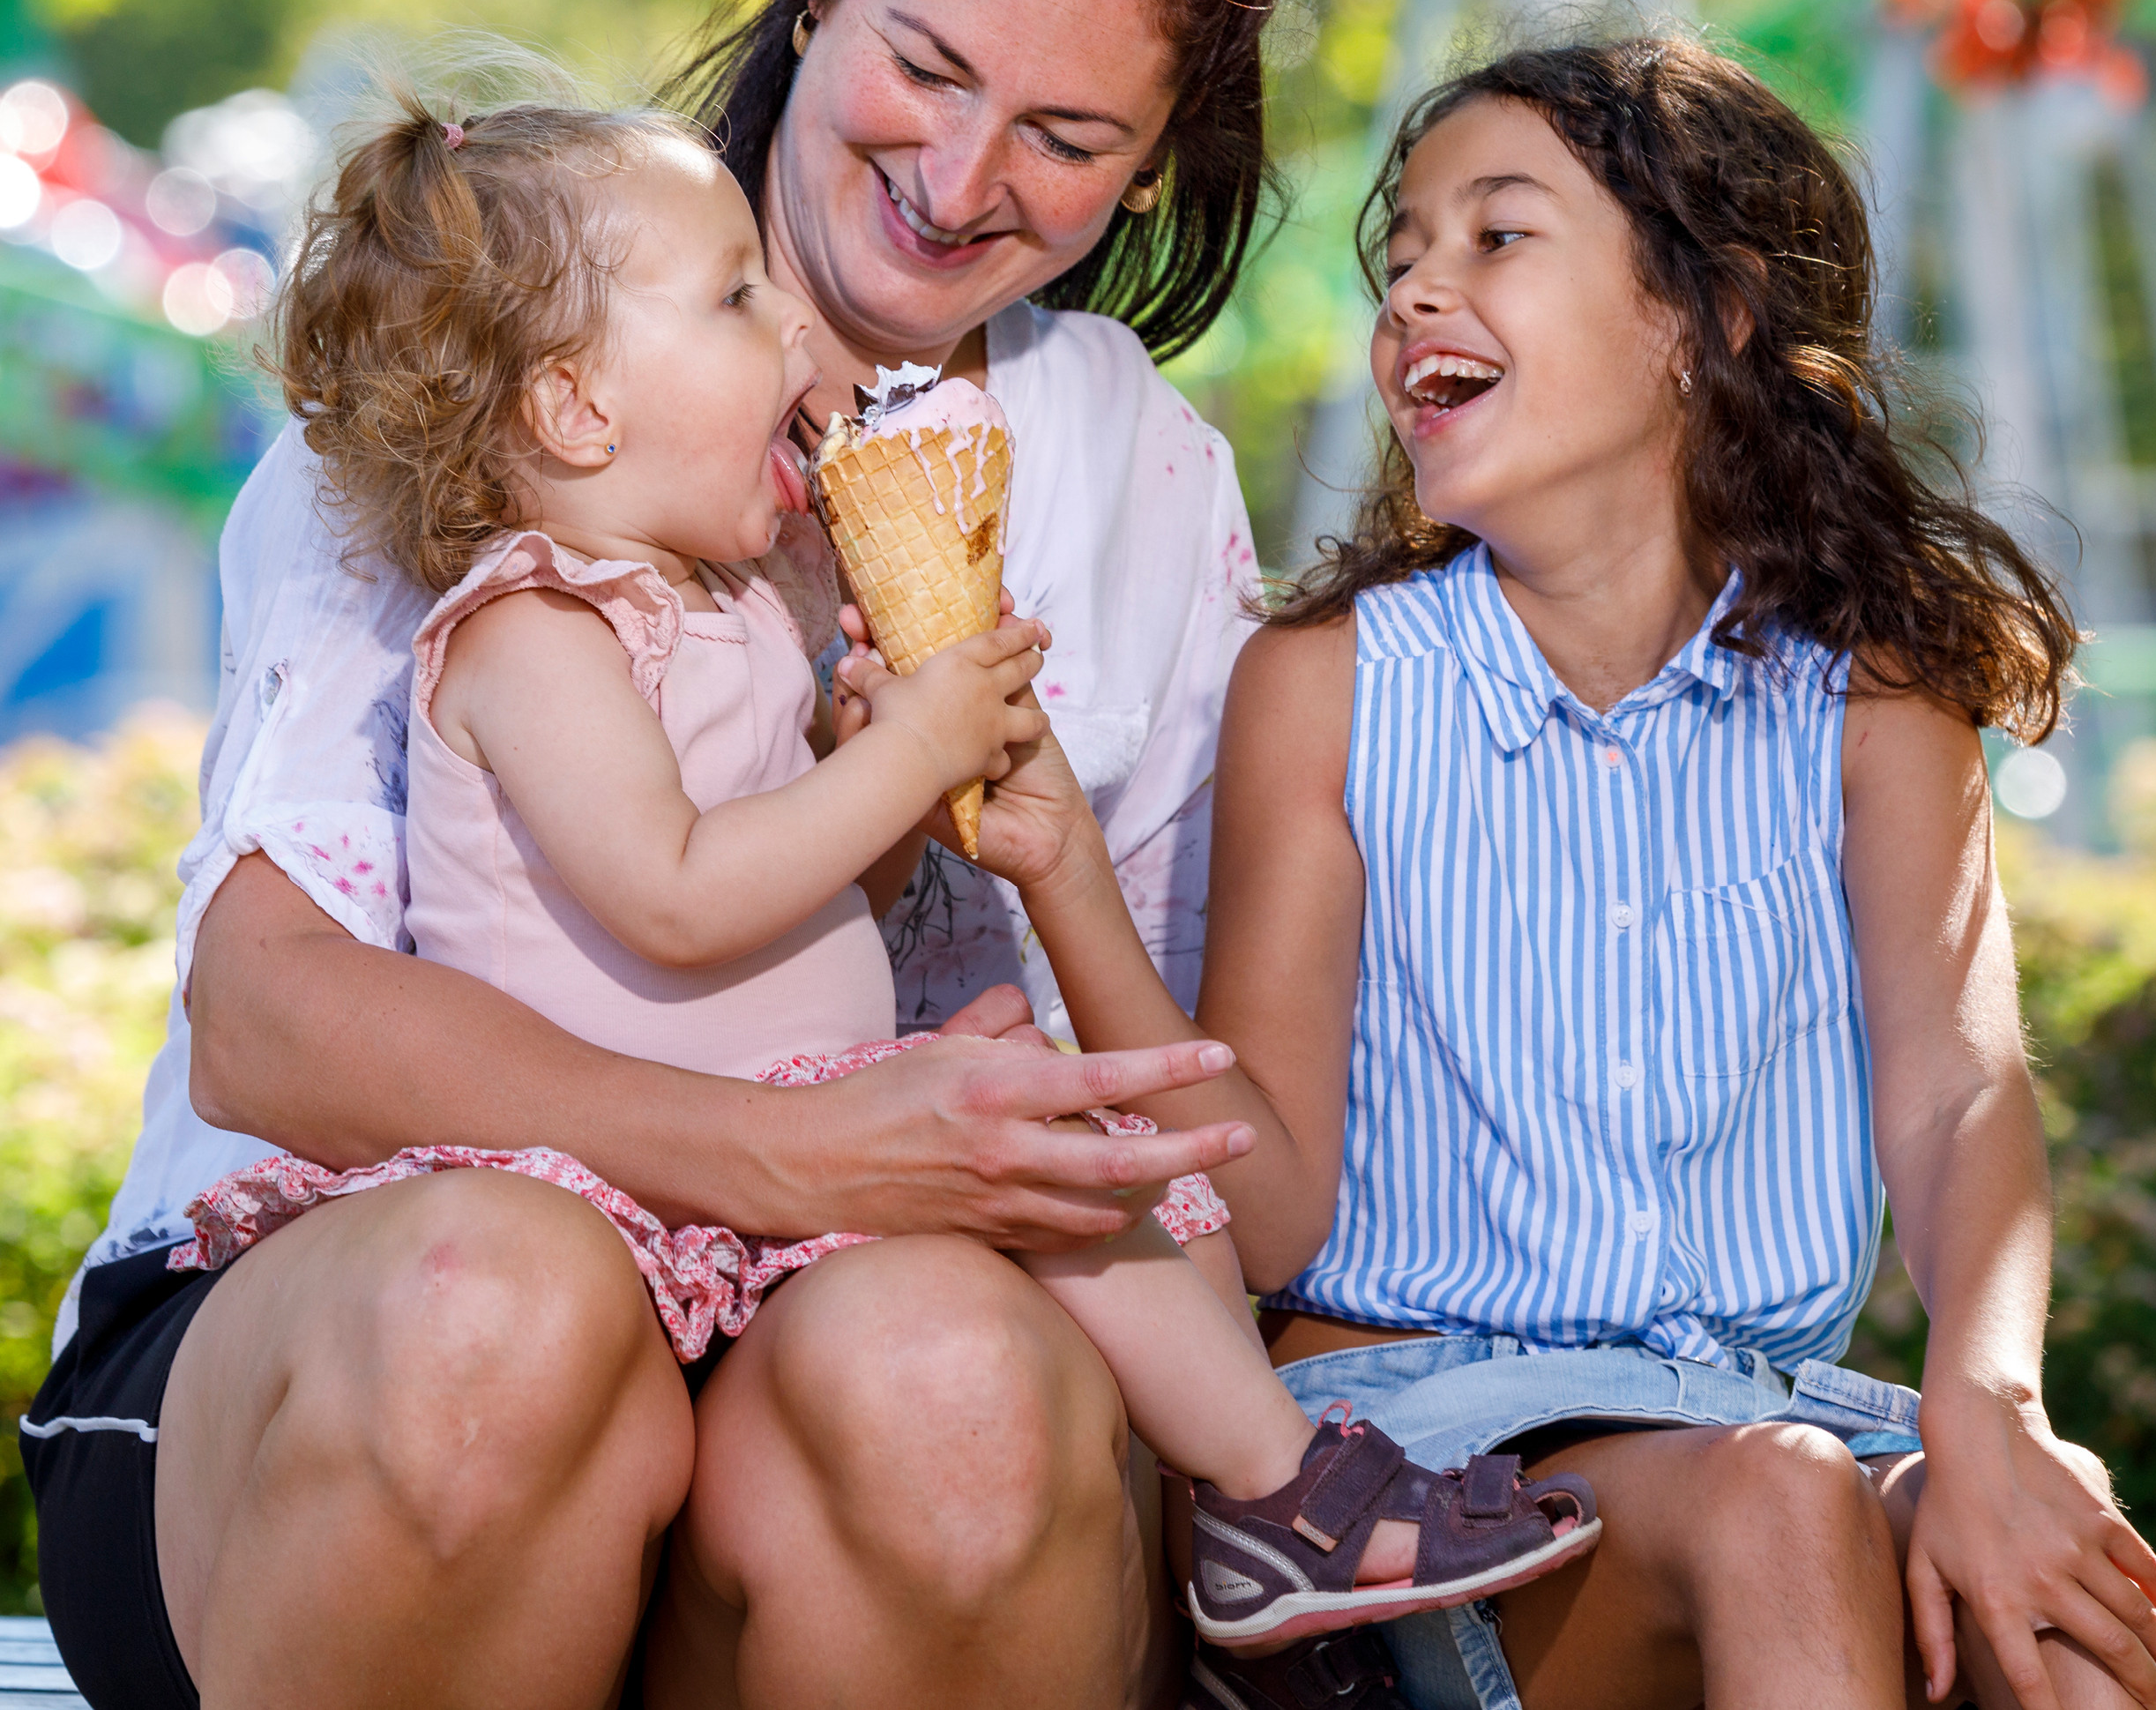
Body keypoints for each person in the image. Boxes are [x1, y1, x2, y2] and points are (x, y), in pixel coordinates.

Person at [22, 0, 1294, 1710]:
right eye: (923, 65)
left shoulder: (1141, 482)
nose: (957, 177)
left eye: (1068, 139)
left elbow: (1207, 1152)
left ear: (1160, 156)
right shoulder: (505, 336)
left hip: (832, 1403)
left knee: (952, 1379)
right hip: (348, 1338)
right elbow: (266, 1015)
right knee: (494, 1309)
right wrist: (775, 1149)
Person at [170, 86, 1600, 1657]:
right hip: (605, 1169)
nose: (795, 324)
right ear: (576, 410)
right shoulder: (533, 629)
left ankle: (1273, 1500)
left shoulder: (724, 603)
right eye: (735, 297)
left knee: (1106, 1174)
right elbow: (676, 893)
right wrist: (904, 758)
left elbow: (779, 903)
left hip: (777, 1129)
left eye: (1070, 133)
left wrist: (895, 806)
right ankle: (1282, 1495)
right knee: (1041, 1199)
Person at [1019, 35, 2156, 1710]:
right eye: (1404, 253)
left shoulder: (1875, 698)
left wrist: (1992, 1411)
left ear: (1707, 317)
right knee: (1783, 1506)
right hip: (1422, 1463)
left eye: (1497, 235)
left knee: (2067, 1620)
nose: (1417, 287)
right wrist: (1059, 861)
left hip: (1763, 1414)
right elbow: (1268, 1213)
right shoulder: (1329, 688)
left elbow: (1959, 1094)